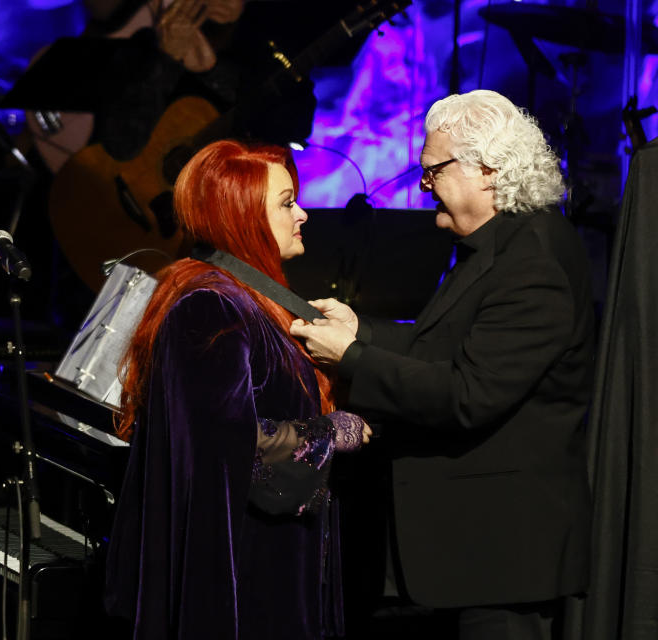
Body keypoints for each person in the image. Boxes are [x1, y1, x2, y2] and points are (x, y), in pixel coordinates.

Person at [290, 89, 595, 640]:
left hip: (504, 556)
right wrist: (361, 330)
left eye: (432, 171)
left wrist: (352, 359)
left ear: (489, 168)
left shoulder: (533, 262)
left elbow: (467, 395)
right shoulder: (499, 246)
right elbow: (443, 346)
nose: (423, 186)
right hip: (475, 552)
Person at [104, 139, 371, 639]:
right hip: (246, 584)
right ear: (242, 215)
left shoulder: (244, 298)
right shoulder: (210, 308)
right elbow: (231, 452)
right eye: (288, 202)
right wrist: (333, 433)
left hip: (272, 565)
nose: (304, 214)